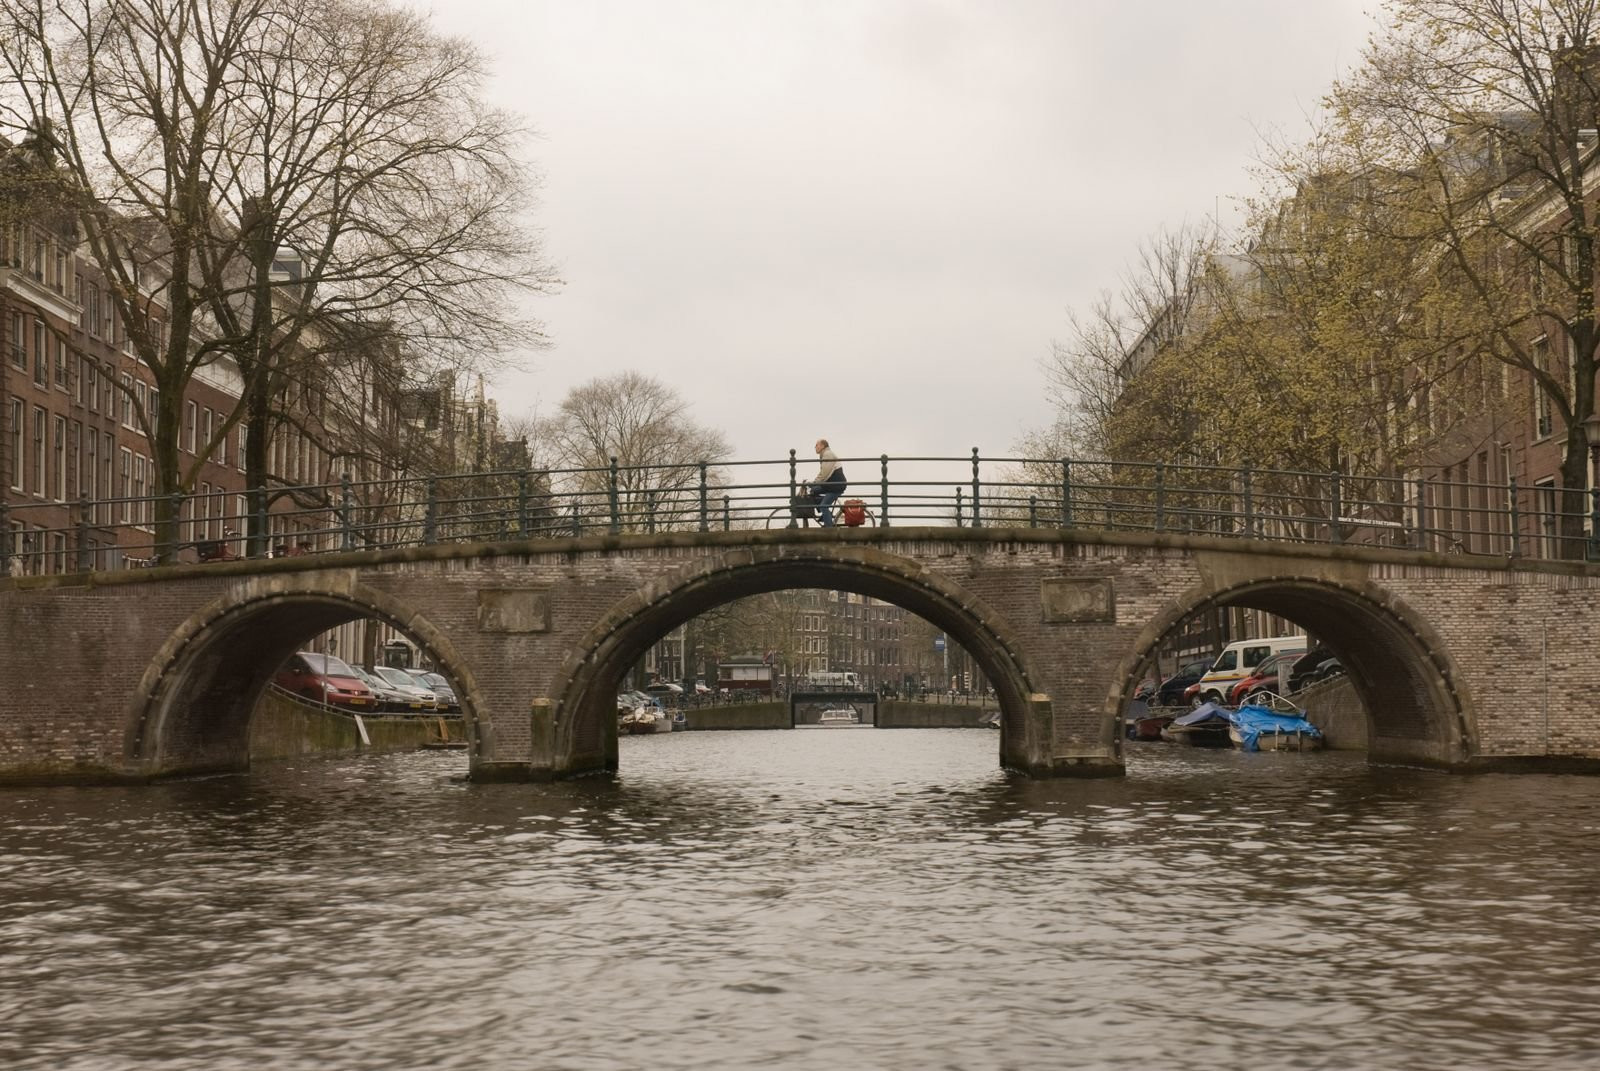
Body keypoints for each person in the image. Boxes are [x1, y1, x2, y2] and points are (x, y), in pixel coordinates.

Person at [808, 438, 847, 527]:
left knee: (823, 506)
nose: (815, 447)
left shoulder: (828, 455)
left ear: (822, 446)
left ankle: (829, 528)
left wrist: (814, 482)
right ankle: (826, 514)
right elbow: (823, 473)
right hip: (829, 485)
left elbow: (825, 474)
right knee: (812, 491)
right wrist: (814, 483)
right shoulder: (824, 454)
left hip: (836, 486)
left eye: (816, 445)